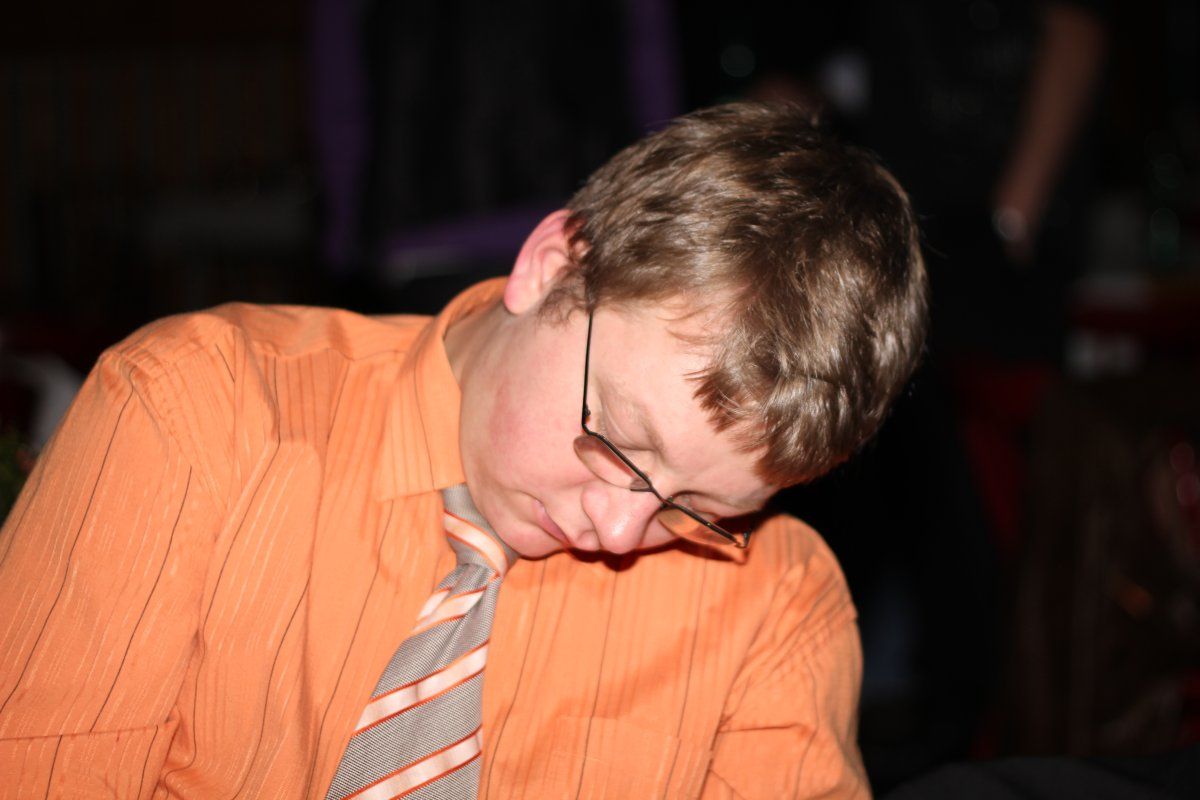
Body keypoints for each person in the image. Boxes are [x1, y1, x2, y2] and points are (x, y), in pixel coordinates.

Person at [0, 103, 927, 798]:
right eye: (619, 441)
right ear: (551, 267)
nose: (616, 530)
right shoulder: (198, 414)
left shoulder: (774, 607)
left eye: (700, 511)